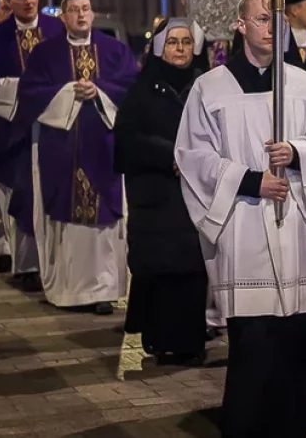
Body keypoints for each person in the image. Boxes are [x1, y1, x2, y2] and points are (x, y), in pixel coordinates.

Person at [175, 0, 306, 438]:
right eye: (262, 19)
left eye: (278, 20)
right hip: (243, 225)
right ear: (240, 26)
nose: (272, 27)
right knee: (251, 341)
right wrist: (251, 180)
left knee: (293, 340)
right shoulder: (210, 88)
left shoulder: (304, 86)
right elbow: (192, 155)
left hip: (293, 226)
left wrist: (297, 151)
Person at [15, 0, 137, 314]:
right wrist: (69, 92)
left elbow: (130, 86)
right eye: (73, 10)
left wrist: (100, 91)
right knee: (66, 220)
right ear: (63, 17)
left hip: (104, 148)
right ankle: (69, 291)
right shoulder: (45, 54)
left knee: (104, 222)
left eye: (85, 8)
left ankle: (104, 291)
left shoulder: (115, 50)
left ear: (93, 13)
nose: (81, 15)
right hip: (62, 150)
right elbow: (29, 93)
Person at [116, 18, 208, 363]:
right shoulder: (141, 89)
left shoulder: (206, 85)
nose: (180, 49)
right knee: (159, 269)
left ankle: (190, 342)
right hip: (155, 194)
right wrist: (166, 155)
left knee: (191, 271)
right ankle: (157, 339)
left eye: (186, 42)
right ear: (159, 48)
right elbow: (125, 141)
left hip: (194, 192)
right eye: (173, 43)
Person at [0, 0, 65, 289]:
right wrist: (26, 94)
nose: (27, 1)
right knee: (22, 194)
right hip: (13, 131)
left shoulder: (56, 30)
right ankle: (27, 267)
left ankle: (56, 263)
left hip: (55, 128)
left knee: (54, 194)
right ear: (9, 2)